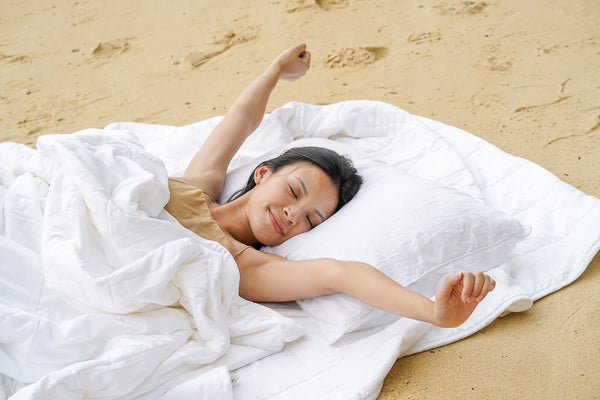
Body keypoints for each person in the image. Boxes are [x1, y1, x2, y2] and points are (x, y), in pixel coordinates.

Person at [165, 43, 495, 328]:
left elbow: (341, 274)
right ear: (263, 173)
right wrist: (277, 70)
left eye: (311, 220)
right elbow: (241, 119)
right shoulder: (196, 186)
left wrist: (435, 313)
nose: (294, 215)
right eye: (294, 191)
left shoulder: (247, 267)